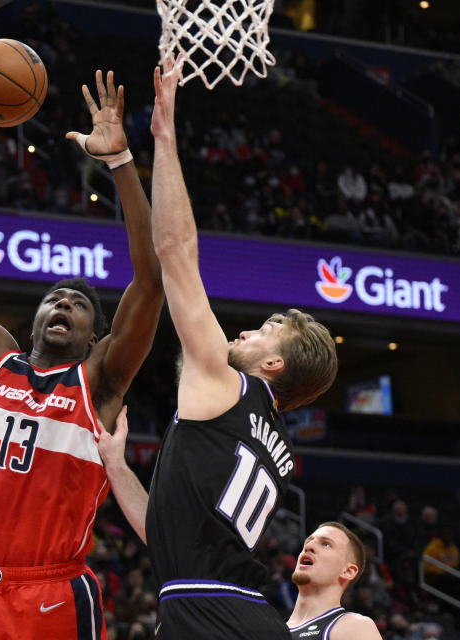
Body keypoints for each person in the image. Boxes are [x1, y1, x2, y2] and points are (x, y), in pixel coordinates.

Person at [96, 55, 337, 640]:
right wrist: (114, 464)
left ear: (274, 365)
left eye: (267, 329)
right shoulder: (274, 442)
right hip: (230, 611)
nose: (248, 330)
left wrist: (161, 137)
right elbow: (167, 530)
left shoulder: (228, 387)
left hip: (211, 615)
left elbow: (176, 252)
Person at [0, 62, 162, 640]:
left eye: (78, 306)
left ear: (93, 336)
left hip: (52, 593)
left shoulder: (99, 382)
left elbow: (153, 282)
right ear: (32, 318)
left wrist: (121, 165)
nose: (62, 305)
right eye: (54, 298)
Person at [286, 523, 380, 640]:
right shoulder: (273, 629)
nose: (309, 546)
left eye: (326, 544)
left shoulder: (353, 627)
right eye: (308, 541)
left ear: (347, 571)